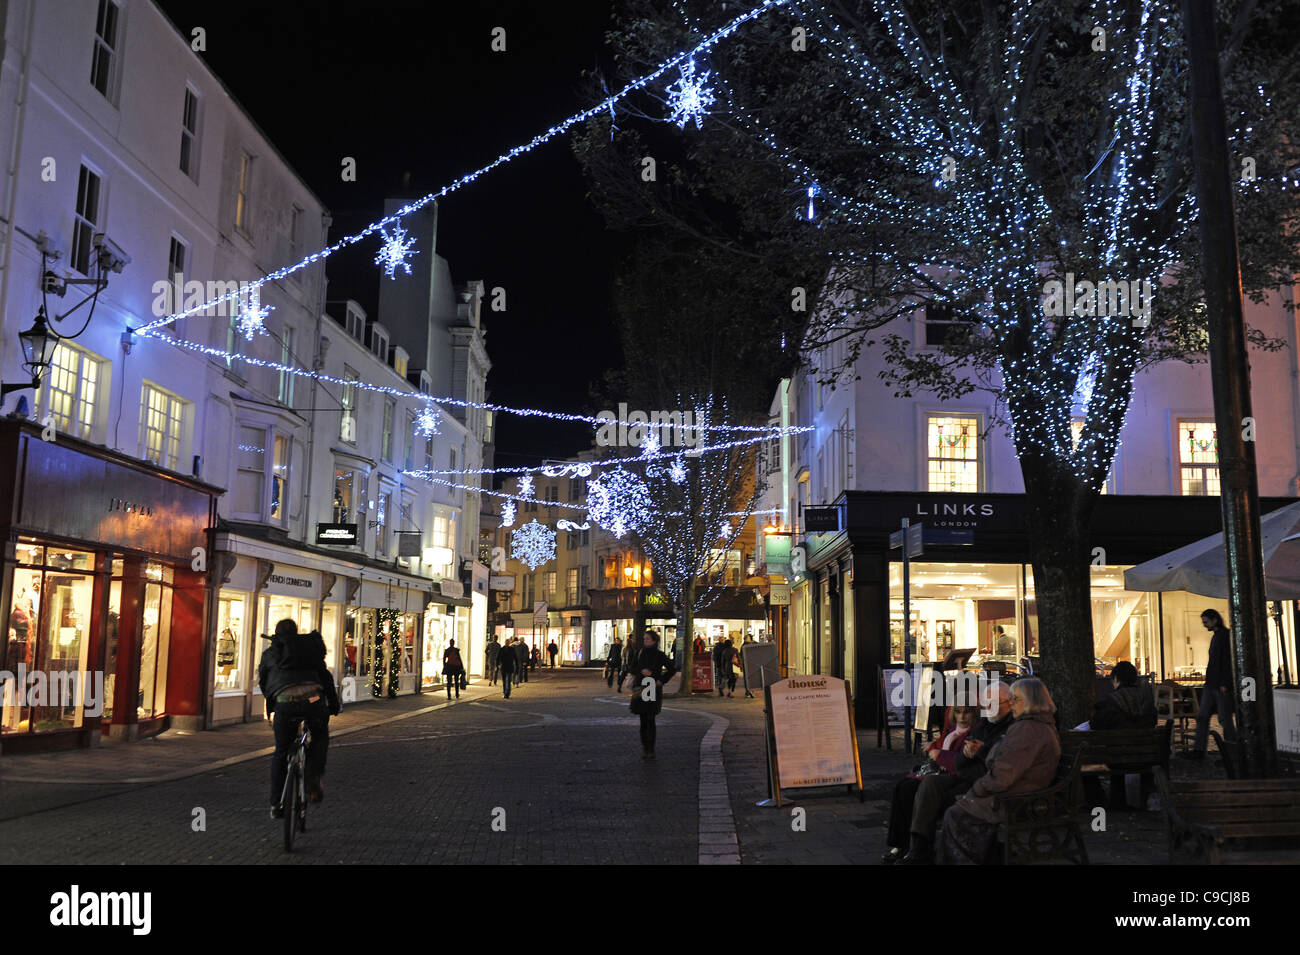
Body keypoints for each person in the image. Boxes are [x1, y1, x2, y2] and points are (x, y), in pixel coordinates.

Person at [885, 681, 1014, 865]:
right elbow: (961, 758)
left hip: (978, 779)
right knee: (914, 786)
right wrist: (966, 753)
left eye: (993, 704)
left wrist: (975, 753)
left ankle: (918, 849)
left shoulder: (1007, 727)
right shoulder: (984, 724)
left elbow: (997, 762)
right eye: (986, 704)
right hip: (964, 773)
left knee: (927, 786)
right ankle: (913, 847)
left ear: (1009, 703)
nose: (989, 708)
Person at [936, 677, 1061, 864]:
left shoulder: (1027, 729)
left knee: (955, 815)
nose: (1012, 704)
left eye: (1015, 699)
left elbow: (1003, 774)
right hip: (1022, 792)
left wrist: (976, 791)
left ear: (1030, 701)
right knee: (951, 805)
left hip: (1017, 799)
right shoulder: (1037, 725)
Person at [258, 619, 339, 817]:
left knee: (281, 751)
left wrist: (275, 700)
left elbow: (264, 680)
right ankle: (313, 777)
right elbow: (325, 678)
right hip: (313, 700)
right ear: (296, 633)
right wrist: (334, 704)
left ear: (276, 635)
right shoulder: (309, 650)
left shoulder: (271, 653)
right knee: (319, 736)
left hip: (284, 702)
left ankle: (276, 804)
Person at [883, 704, 978, 863]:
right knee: (903, 787)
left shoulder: (974, 732)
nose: (962, 717)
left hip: (953, 776)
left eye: (966, 713)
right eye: (958, 712)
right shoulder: (953, 729)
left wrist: (939, 754)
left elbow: (959, 761)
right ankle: (901, 844)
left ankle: (915, 846)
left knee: (919, 788)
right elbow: (942, 745)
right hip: (940, 770)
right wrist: (934, 748)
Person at [1084, 660, 1157, 810]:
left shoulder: (1110, 702)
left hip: (1116, 758)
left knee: (1086, 761)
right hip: (1148, 756)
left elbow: (1096, 724)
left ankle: (1099, 803)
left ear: (1116, 679)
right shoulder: (1147, 701)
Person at [1190, 609, 1237, 760]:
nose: (1205, 625)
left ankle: (1230, 751)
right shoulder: (1219, 636)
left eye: (1206, 622)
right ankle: (1201, 751)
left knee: (1223, 718)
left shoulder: (1222, 636)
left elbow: (1226, 662)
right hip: (1212, 683)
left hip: (1217, 684)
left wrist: (1225, 682)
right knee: (1207, 717)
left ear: (1214, 620)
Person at [628, 629, 677, 758]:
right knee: (643, 719)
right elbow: (631, 667)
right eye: (644, 639)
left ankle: (651, 748)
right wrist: (641, 670)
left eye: (647, 639)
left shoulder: (659, 654)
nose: (645, 641)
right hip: (641, 687)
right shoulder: (639, 653)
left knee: (650, 718)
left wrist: (661, 680)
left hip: (653, 688)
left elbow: (672, 668)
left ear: (654, 641)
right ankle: (645, 747)